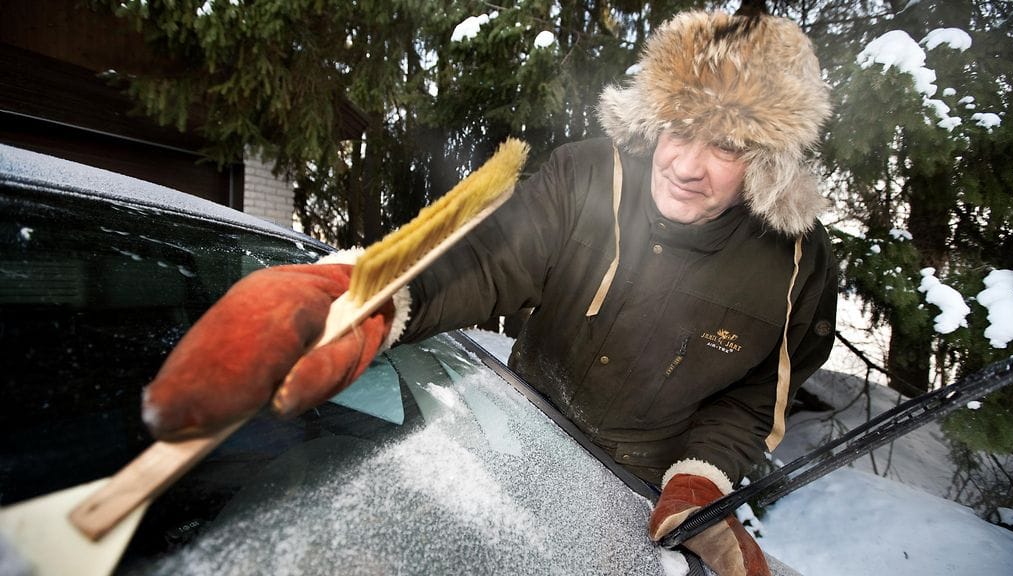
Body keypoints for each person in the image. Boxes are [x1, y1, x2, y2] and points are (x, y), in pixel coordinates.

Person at [142, 10, 837, 576]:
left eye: (726, 146)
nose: (686, 165)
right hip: (515, 445)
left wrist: (702, 480)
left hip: (632, 512)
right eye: (680, 130)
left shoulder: (797, 266)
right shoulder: (586, 178)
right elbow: (488, 260)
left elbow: (752, 399)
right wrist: (373, 296)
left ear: (767, 160)